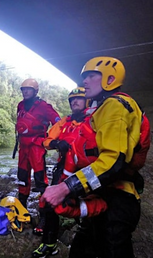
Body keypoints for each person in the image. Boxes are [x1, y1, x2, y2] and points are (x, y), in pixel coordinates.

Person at [41, 57, 144, 258]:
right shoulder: (101, 109)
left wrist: (66, 188)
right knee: (82, 248)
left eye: (90, 76)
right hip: (102, 195)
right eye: (84, 77)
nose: (84, 82)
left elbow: (113, 162)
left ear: (110, 78)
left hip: (117, 202)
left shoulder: (115, 106)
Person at [32, 87, 108, 257]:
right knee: (51, 203)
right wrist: (57, 144)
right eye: (72, 99)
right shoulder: (65, 122)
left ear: (87, 100)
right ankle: (49, 243)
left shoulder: (95, 119)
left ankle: (92, 244)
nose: (75, 102)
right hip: (63, 168)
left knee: (93, 206)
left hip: (90, 170)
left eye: (79, 98)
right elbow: (47, 140)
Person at [14, 78, 61, 235]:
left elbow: (58, 122)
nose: (25, 91)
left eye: (28, 89)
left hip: (37, 146)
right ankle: (22, 210)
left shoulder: (44, 107)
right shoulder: (20, 105)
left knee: (41, 180)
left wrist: (53, 140)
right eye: (23, 89)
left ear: (35, 91)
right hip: (23, 147)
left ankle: (43, 216)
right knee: (22, 177)